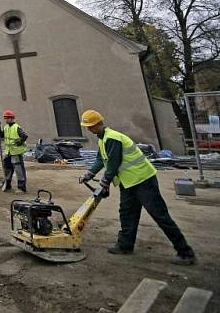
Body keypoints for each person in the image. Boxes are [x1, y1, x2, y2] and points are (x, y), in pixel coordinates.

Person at [78, 109, 196, 265]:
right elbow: (101, 159)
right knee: (127, 213)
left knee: (159, 215)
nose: (90, 129)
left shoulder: (112, 138)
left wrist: (105, 181)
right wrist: (89, 174)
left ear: (100, 123)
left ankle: (185, 252)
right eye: (88, 127)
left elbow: (114, 162)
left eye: (92, 126)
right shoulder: (102, 139)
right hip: (128, 183)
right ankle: (125, 245)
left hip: (143, 180)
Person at [0, 109, 28, 193]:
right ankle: (7, 184)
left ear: (12, 118)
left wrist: (19, 141)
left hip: (16, 152)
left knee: (18, 169)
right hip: (8, 152)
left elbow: (24, 136)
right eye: (5, 118)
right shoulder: (6, 127)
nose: (6, 120)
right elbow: (2, 136)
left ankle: (21, 187)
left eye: (7, 118)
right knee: (7, 168)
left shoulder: (17, 127)